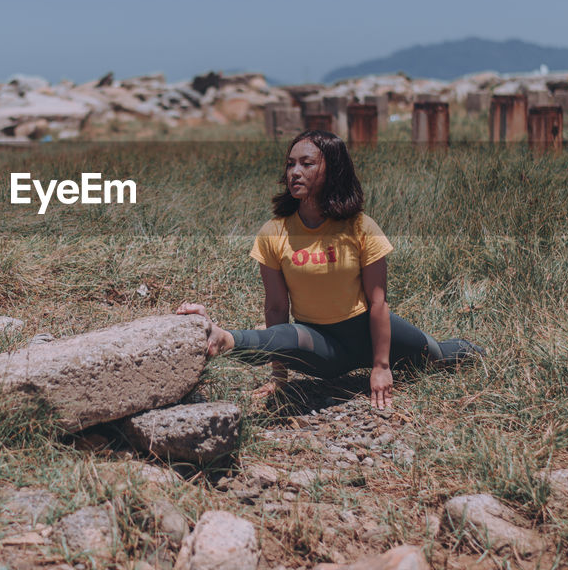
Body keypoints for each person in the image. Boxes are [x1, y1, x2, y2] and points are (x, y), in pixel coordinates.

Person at [178, 129, 481, 410]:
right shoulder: (274, 232)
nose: (295, 171)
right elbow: (276, 307)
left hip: (368, 332)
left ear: (331, 170)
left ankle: (478, 350)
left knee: (438, 356)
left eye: (307, 164)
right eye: (290, 164)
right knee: (285, 336)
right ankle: (222, 338)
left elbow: (378, 303)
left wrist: (381, 367)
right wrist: (279, 378)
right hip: (320, 344)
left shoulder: (361, 227)